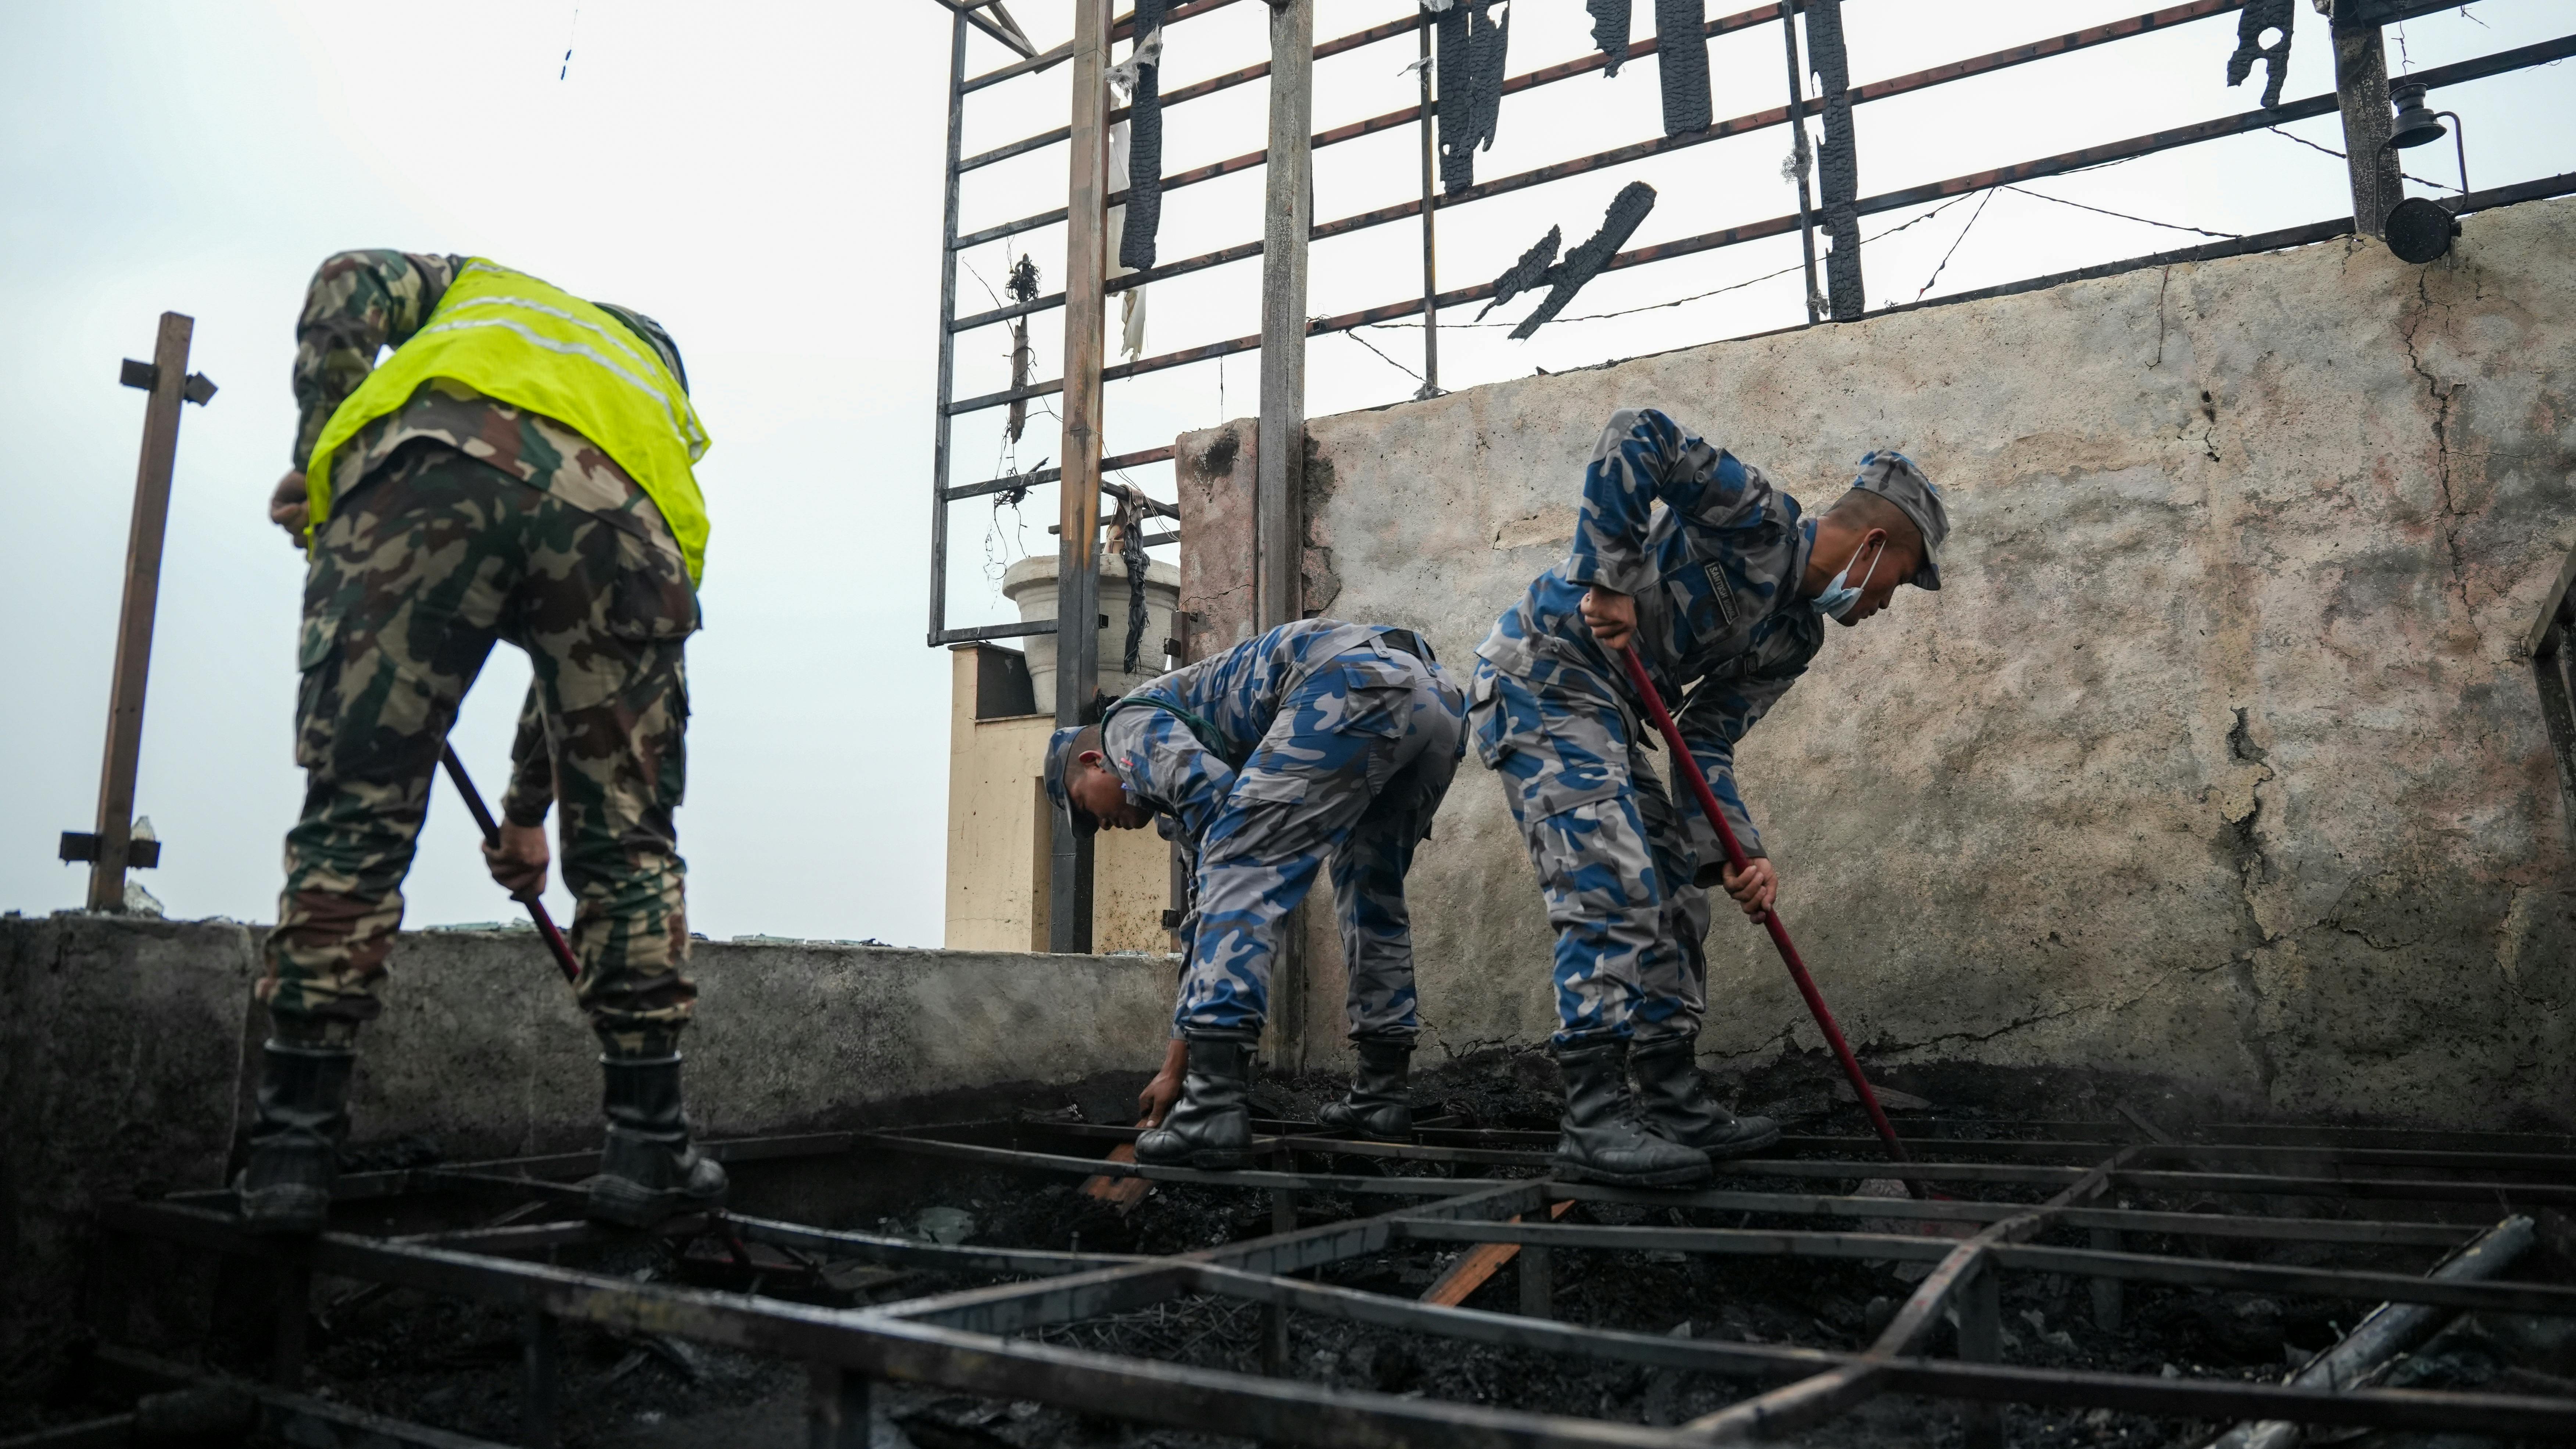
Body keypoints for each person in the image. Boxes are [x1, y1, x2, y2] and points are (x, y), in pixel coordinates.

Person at [241, 249, 721, 1233]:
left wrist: (319, 456)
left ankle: (290, 1152)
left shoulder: (482, 291)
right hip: (624, 531)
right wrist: (536, 814)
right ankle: (647, 1149)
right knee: (630, 842)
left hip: (425, 472)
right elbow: (586, 696)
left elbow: (345, 281)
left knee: (359, 808)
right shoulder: (659, 428)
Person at [1472, 408, 1946, 1187]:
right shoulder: (1755, 517)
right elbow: (1638, 435)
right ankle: (1592, 1120)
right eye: (1902, 576)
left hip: (1613, 714)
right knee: (1614, 877)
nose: (1890, 602)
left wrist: (1739, 850)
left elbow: (1706, 740)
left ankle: (1671, 1101)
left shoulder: (1796, 639)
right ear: (1871, 548)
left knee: (1676, 894)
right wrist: (1610, 575)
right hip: (1545, 675)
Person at [1045, 619, 1467, 1167]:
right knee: (1372, 892)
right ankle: (1383, 1096)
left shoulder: (1125, 728)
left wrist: (1202, 1083)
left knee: (1240, 858)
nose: (1103, 824)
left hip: (1350, 686)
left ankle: (1216, 1109)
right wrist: (1176, 1069)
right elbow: (1207, 917)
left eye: (1085, 808)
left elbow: (1229, 838)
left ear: (1092, 762)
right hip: (1436, 702)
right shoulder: (1181, 768)